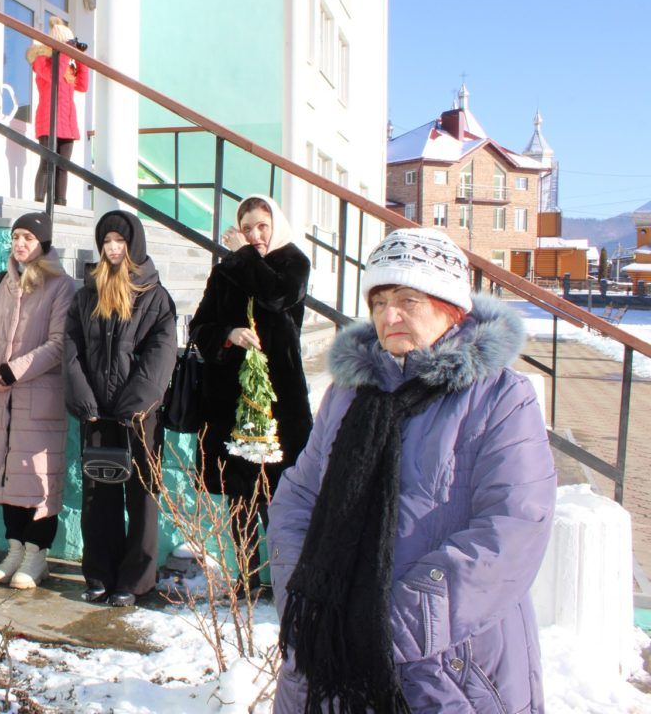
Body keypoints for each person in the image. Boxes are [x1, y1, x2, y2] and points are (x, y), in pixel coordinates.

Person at [268, 228, 556, 713]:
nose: (389, 315)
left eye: (408, 299)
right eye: (378, 301)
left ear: (453, 309)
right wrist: (305, 603)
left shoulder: (501, 397)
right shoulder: (348, 394)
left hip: (448, 670)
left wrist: (388, 626)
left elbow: (513, 528)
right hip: (328, 655)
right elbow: (297, 498)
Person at [188, 194, 312, 595]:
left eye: (262, 226)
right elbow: (200, 327)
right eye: (247, 228)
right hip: (232, 404)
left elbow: (276, 296)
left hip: (278, 404)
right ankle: (247, 579)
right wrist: (228, 334)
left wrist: (242, 256)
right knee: (240, 498)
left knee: (280, 496)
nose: (256, 235)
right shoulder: (226, 271)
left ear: (275, 225)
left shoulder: (292, 262)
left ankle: (288, 580)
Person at [64, 210, 177, 607]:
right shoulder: (86, 295)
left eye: (119, 241)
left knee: (142, 496)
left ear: (134, 245)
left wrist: (135, 403)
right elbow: (72, 348)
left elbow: (161, 354)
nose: (112, 249)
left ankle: (136, 579)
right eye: (106, 242)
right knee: (99, 494)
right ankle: (100, 573)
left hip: (138, 416)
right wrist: (83, 398)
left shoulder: (155, 297)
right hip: (96, 411)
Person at [0, 212, 76, 589]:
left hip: (38, 398)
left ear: (43, 243)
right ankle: (14, 549)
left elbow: (60, 343)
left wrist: (15, 369)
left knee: (38, 478)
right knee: (6, 473)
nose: (20, 244)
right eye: (16, 236)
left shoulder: (61, 286)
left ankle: (36, 555)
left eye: (28, 237)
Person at [26, 16, 89, 206]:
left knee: (63, 167)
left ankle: (60, 203)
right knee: (47, 163)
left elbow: (83, 85)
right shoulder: (42, 63)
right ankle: (39, 202)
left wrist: (80, 59)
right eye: (66, 44)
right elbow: (55, 77)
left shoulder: (67, 65)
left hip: (67, 123)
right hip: (49, 121)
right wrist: (63, 53)